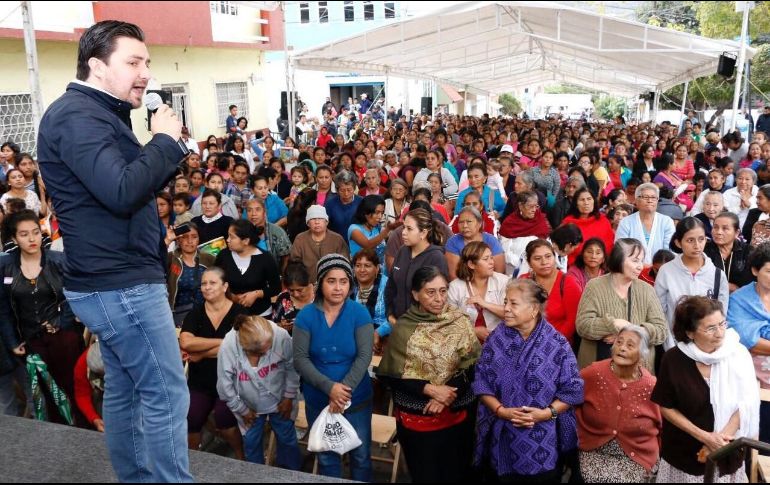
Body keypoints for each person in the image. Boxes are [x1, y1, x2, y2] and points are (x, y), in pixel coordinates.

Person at [37, 20, 193, 483]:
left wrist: (167, 149)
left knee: (126, 387)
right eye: (133, 62)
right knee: (166, 393)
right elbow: (122, 191)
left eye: (147, 62)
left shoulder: (98, 112)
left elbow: (123, 186)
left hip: (114, 280)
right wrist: (162, 142)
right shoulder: (78, 117)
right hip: (120, 283)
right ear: (97, 65)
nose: (145, 73)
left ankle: (137, 477)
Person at [473, 278, 584, 482]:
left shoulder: (557, 344)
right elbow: (481, 382)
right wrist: (501, 411)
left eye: (513, 303)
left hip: (544, 439)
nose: (506, 308)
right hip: (503, 436)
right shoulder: (496, 339)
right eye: (505, 302)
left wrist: (545, 414)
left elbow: (572, 390)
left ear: (533, 309)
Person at [376, 267, 480, 482]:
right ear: (415, 294)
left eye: (443, 291)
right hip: (418, 421)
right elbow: (391, 374)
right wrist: (430, 389)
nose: (439, 299)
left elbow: (472, 365)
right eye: (430, 292)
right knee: (426, 474)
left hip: (458, 418)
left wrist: (446, 394)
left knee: (457, 474)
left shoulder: (460, 321)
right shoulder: (404, 328)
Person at [652, 296, 759, 483]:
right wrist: (704, 437)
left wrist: (718, 442)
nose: (719, 333)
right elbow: (666, 406)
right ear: (690, 333)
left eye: (722, 324)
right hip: (684, 454)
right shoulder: (674, 359)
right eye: (710, 328)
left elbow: (747, 402)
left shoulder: (738, 354)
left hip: (727, 453)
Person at [293, 254, 374, 481]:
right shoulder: (306, 316)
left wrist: (342, 392)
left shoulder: (359, 313)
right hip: (319, 399)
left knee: (361, 457)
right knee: (327, 459)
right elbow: (300, 359)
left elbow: (364, 356)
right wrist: (330, 389)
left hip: (356, 399)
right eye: (331, 281)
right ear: (320, 283)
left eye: (343, 281)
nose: (338, 288)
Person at [0, 211, 85, 425]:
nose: (32, 239)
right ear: (14, 238)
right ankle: (57, 437)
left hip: (63, 337)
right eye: (24, 234)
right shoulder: (6, 266)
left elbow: (75, 294)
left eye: (36, 232)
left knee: (72, 388)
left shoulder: (58, 260)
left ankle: (83, 434)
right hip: (30, 341)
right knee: (46, 394)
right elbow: (4, 309)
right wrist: (12, 342)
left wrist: (61, 321)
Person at [576, 325, 662, 482]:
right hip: (594, 451)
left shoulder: (651, 386)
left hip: (638, 455)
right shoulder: (594, 373)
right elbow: (570, 395)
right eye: (619, 342)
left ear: (642, 354)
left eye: (630, 345)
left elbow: (661, 425)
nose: (622, 348)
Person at [217, 313, 301, 470]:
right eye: (260, 353)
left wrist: (288, 397)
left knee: (287, 440)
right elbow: (224, 385)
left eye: (269, 348)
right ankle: (256, 475)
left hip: (280, 400)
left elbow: (292, 367)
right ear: (244, 347)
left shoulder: (281, 336)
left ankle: (292, 474)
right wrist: (241, 409)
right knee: (251, 443)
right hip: (248, 405)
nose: (266, 354)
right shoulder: (228, 345)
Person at [179, 267, 244, 459]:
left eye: (212, 283)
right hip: (200, 382)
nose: (207, 287)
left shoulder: (239, 313)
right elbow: (186, 343)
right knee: (191, 417)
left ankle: (241, 456)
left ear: (225, 286)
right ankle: (193, 460)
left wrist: (201, 353)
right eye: (203, 283)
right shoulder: (196, 313)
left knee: (225, 421)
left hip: (232, 381)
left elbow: (243, 346)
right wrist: (226, 342)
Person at [576, 239, 668, 372]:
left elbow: (661, 330)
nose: (640, 266)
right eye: (635, 260)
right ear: (618, 259)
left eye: (641, 261)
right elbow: (582, 325)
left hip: (638, 370)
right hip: (598, 368)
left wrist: (628, 333)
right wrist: (613, 324)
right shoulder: (594, 286)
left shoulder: (647, 290)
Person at [655, 217, 729, 350]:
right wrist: (671, 347)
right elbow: (660, 312)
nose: (697, 245)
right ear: (678, 242)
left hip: (708, 346)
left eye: (701, 239)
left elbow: (721, 315)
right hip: (675, 344)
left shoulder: (717, 274)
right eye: (690, 240)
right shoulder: (666, 271)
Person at [726, 242, 770, 445]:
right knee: (757, 434)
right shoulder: (740, 299)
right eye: (768, 271)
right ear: (755, 270)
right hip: (751, 379)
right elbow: (744, 339)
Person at [385, 208, 448, 322]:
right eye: (404, 227)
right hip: (397, 322)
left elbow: (438, 299)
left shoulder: (436, 258)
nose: (403, 232)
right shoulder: (402, 251)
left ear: (423, 233)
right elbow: (391, 287)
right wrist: (390, 314)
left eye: (409, 229)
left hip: (423, 326)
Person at [519, 239, 582, 344]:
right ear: (529, 263)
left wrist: (549, 344)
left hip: (558, 344)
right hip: (525, 342)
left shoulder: (569, 283)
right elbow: (516, 313)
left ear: (554, 257)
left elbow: (572, 321)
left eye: (548, 256)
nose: (544, 262)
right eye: (537, 258)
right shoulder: (523, 281)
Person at [215, 220, 280, 317]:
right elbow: (216, 280)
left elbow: (276, 287)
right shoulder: (224, 256)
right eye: (228, 236)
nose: (227, 240)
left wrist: (257, 294)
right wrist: (230, 296)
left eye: (232, 237)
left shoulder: (265, 258)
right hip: (231, 313)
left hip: (261, 314)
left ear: (246, 241)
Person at [448, 241, 508, 344]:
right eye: (486, 259)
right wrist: (473, 331)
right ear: (471, 264)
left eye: (491, 257)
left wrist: (485, 304)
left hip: (501, 341)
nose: (491, 262)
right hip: (466, 343)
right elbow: (449, 322)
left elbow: (511, 313)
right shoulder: (455, 287)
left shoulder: (503, 281)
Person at [166, 223, 216, 327]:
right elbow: (150, 261)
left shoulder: (209, 259)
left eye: (194, 237)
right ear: (178, 239)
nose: (190, 241)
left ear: (199, 239)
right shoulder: (170, 259)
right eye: (185, 237)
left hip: (208, 313)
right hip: (177, 315)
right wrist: (168, 240)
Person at [615, 183, 675, 265]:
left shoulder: (666, 221)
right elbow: (621, 250)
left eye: (653, 197)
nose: (650, 200)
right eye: (645, 197)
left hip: (661, 268)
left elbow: (670, 251)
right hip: (632, 268)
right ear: (636, 200)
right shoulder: (626, 222)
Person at [289, 205, 349, 282]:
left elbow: (344, 262)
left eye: (320, 218)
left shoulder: (337, 239)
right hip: (307, 283)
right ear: (308, 223)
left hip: (332, 283)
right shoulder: (300, 239)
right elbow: (294, 264)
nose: (317, 222)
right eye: (313, 219)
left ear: (326, 222)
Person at [446, 207, 505, 280]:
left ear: (479, 223)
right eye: (461, 222)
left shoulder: (491, 241)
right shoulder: (453, 242)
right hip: (462, 284)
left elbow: (500, 271)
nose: (464, 226)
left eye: (469, 221)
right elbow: (454, 276)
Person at [561, 188, 615, 267]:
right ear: (576, 204)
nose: (586, 203)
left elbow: (609, 247)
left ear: (594, 201)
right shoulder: (568, 223)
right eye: (582, 200)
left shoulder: (603, 221)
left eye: (589, 199)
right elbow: (563, 249)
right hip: (574, 267)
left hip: (600, 267)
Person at [351, 249, 390, 353]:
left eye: (367, 265)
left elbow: (396, 316)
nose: (362, 270)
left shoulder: (388, 286)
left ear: (377, 268)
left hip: (383, 338)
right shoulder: (348, 286)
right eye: (358, 265)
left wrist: (378, 333)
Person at [704, 212, 754, 292]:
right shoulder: (704, 250)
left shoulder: (748, 251)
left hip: (741, 296)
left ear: (736, 233)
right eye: (715, 227)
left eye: (725, 228)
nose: (719, 232)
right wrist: (728, 286)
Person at [245, 198, 291, 272]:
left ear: (264, 212)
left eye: (257, 209)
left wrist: (282, 276)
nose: (253, 214)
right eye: (249, 210)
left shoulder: (277, 231)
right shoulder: (242, 232)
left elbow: (286, 257)